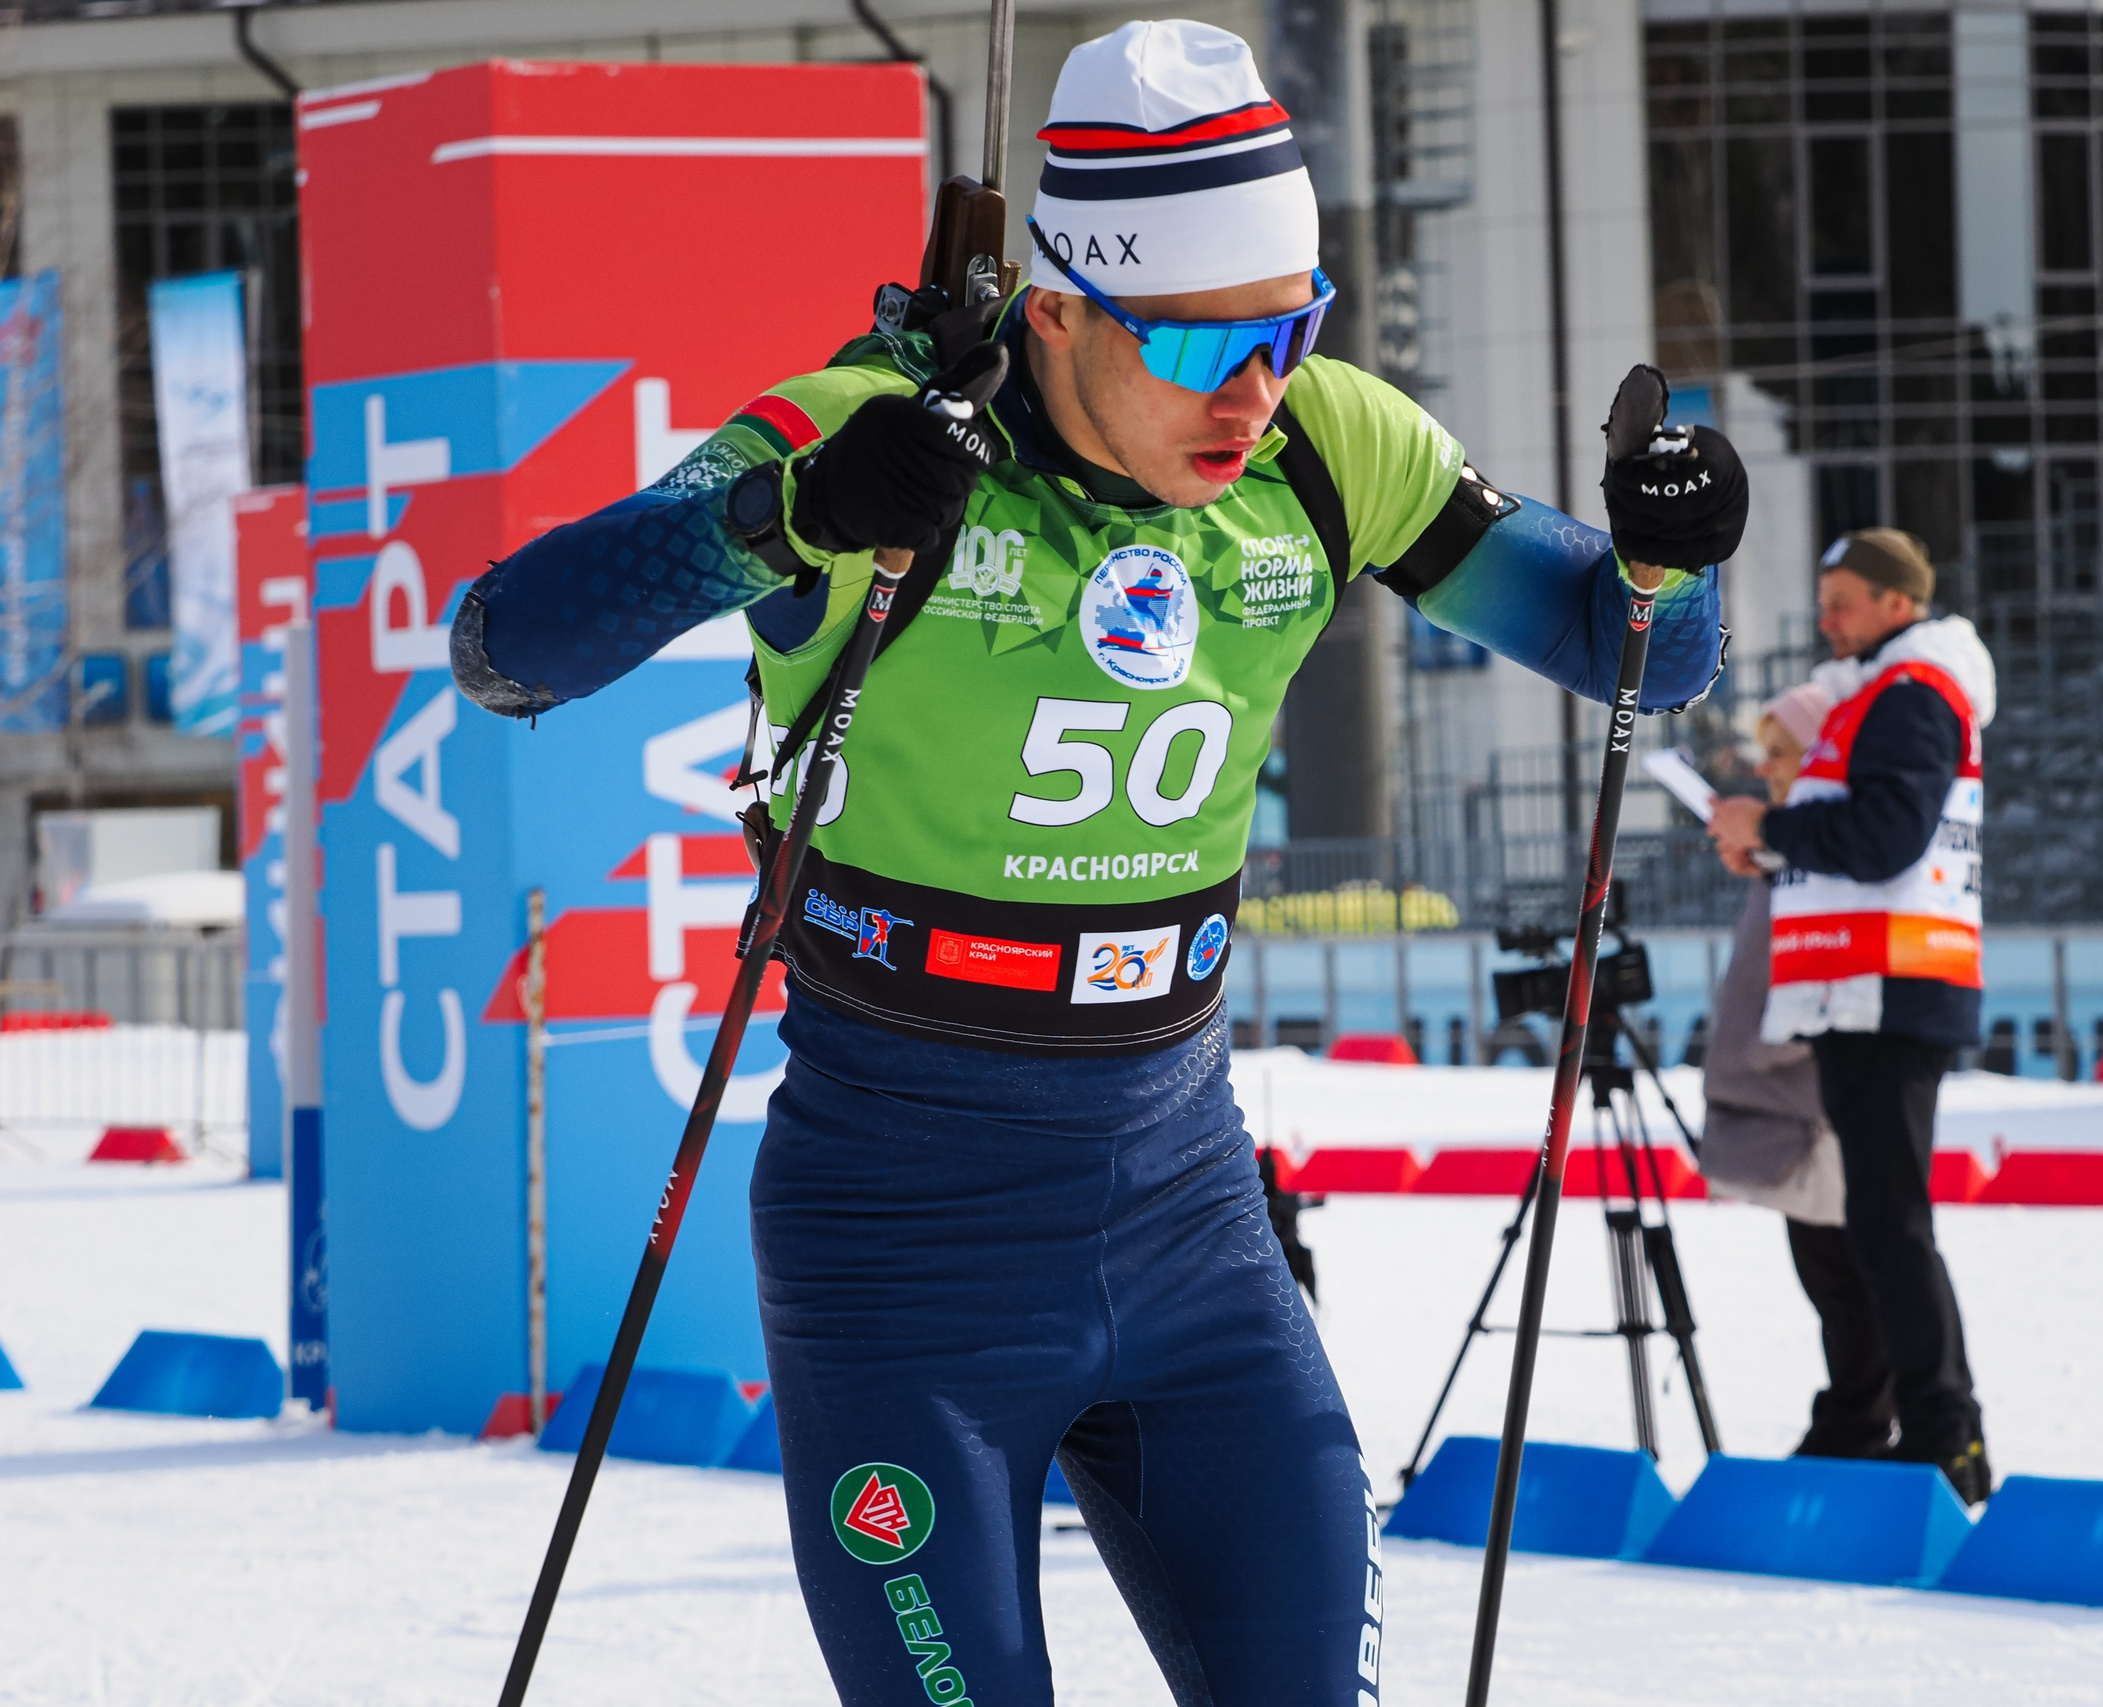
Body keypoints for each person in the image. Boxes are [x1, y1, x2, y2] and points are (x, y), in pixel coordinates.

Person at [452, 21, 1748, 1703]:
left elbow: (1625, 643)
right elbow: (506, 650)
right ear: (1056, 310)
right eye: (1204, 347)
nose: (1255, 393)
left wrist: (1674, 550)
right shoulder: (873, 437)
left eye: (1291, 331)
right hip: (903, 1257)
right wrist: (783, 518)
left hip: (1191, 1232)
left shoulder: (1322, 449)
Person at [1707, 526, 1995, 1504]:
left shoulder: (1912, 696)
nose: (1825, 619)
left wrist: (1773, 827)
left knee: (1887, 1226)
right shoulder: (1883, 694)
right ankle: (1918, 1426)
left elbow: (1882, 839)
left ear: (1895, 605)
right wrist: (1771, 846)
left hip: (1890, 991)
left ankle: (1945, 1436)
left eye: (1842, 601)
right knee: (1874, 1226)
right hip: (1861, 988)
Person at [1694, 682, 1899, 1460]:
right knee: (1829, 1273)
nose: (1768, 768)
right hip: (1793, 1090)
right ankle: (1853, 1413)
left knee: (1848, 1274)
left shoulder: (1831, 848)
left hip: (1822, 1092)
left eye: (1783, 751)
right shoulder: (1796, 849)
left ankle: (1857, 1420)